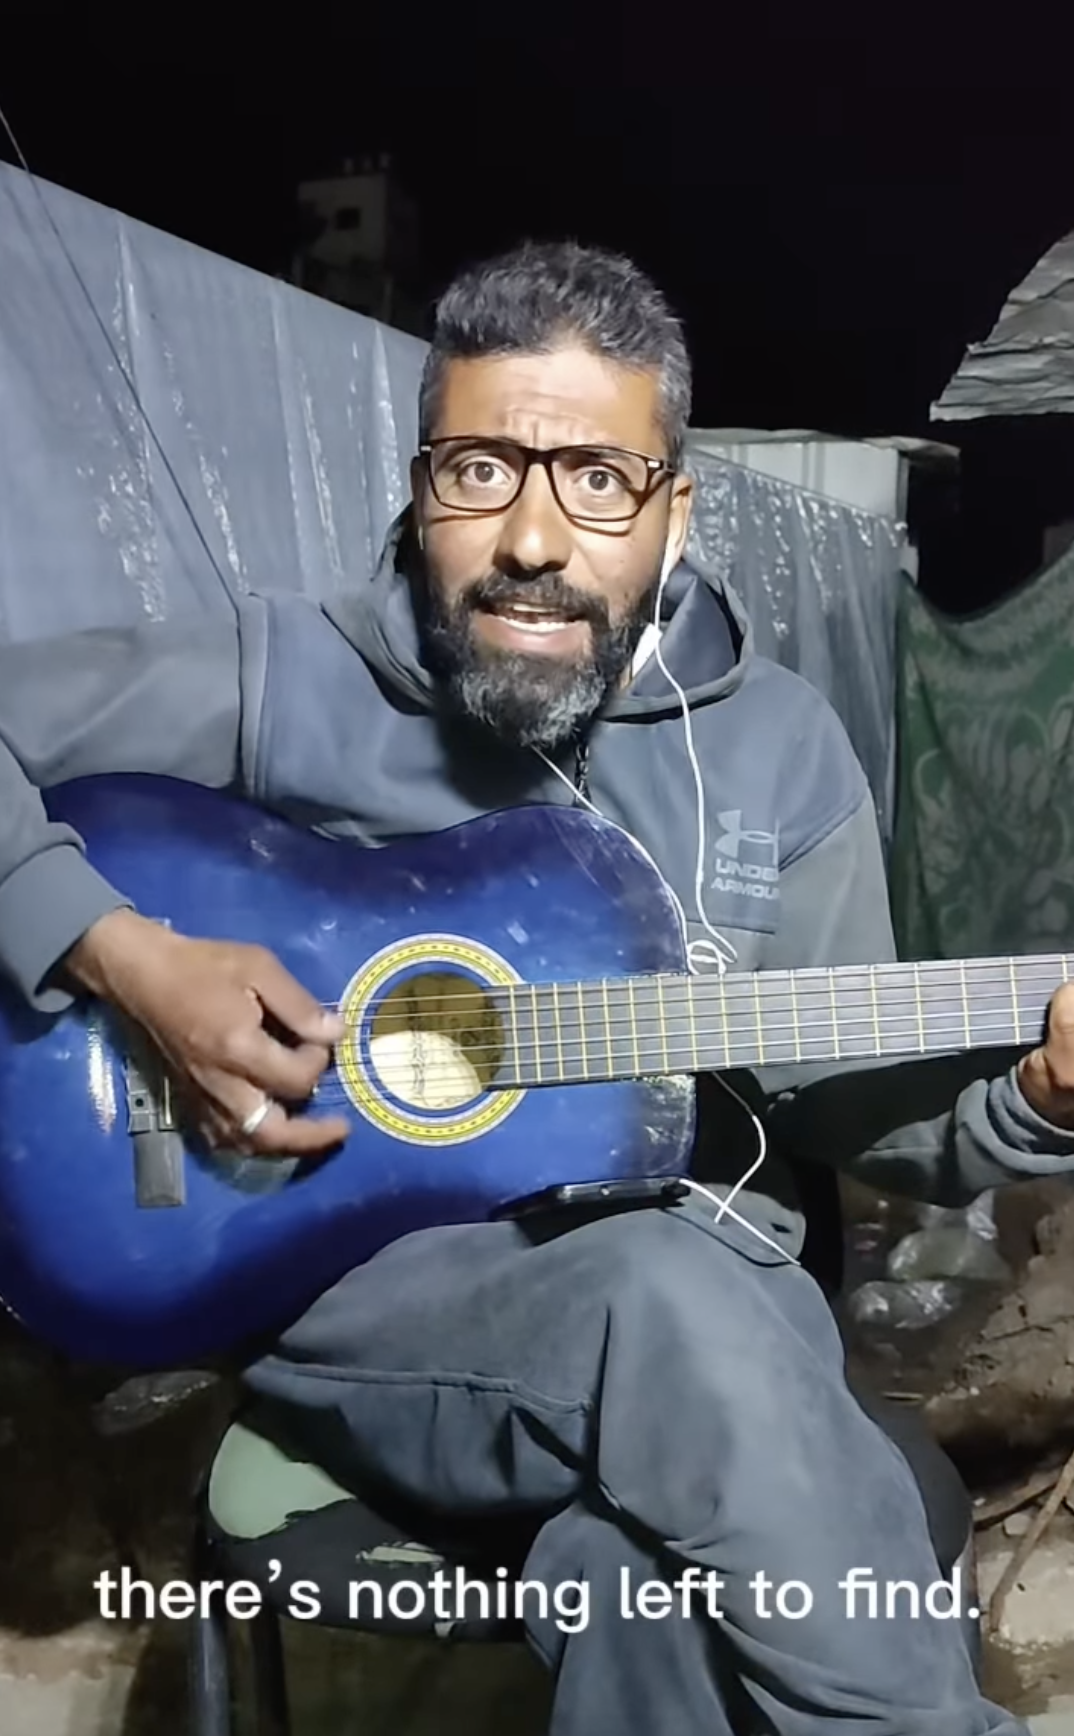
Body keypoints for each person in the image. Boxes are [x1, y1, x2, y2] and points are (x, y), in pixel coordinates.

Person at [0, 239, 1071, 1736]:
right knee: (664, 1289)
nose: (531, 537)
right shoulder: (286, 676)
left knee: (643, 1585)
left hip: (728, 1350)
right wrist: (120, 951)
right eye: (480, 471)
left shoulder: (776, 746)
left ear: (672, 511)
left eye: (596, 481)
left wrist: (1029, 1096)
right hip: (379, 1303)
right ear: (421, 485)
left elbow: (863, 1116)